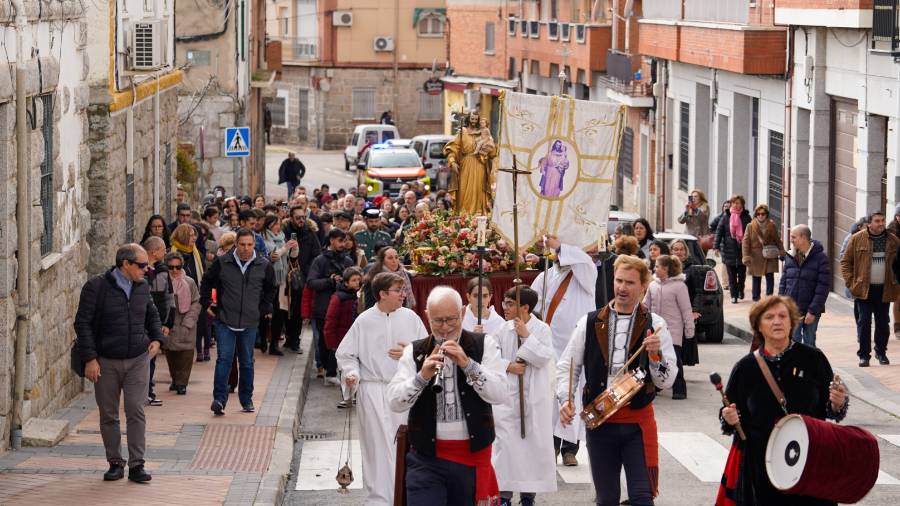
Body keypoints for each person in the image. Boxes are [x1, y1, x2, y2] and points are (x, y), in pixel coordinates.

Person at [557, 255, 678, 506]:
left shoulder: (655, 324)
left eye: (630, 283)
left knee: (642, 498)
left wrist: (654, 355)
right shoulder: (589, 322)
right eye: (619, 280)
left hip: (638, 424)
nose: (622, 287)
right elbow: (569, 366)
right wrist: (566, 400)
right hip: (600, 423)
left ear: (644, 286)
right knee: (607, 499)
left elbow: (666, 381)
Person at [719, 296, 848, 505]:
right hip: (762, 466)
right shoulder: (745, 368)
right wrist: (730, 416)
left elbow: (832, 410)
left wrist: (837, 402)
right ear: (758, 326)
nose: (777, 321)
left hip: (809, 459)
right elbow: (729, 413)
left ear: (791, 322)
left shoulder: (813, 358)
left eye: (782, 316)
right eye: (769, 317)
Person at [387, 286, 506, 505]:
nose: (444, 328)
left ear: (462, 313)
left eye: (451, 320)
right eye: (437, 321)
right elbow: (394, 402)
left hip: (471, 459)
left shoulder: (483, 345)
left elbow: (499, 394)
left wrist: (468, 365)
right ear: (427, 316)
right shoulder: (414, 352)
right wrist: (422, 376)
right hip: (425, 459)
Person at [74, 244, 165, 483]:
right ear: (125, 264)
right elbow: (82, 324)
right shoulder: (96, 287)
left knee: (136, 408)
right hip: (105, 361)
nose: (147, 269)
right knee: (109, 414)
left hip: (138, 358)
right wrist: (90, 358)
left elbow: (152, 314)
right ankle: (115, 462)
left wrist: (157, 338)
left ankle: (137, 465)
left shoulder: (142, 287)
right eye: (142, 265)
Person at [336, 272, 429, 505]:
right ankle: (379, 499)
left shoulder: (411, 318)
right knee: (376, 447)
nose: (403, 294)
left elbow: (428, 351)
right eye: (398, 291)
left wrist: (411, 351)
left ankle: (405, 495)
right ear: (382, 294)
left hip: (406, 390)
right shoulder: (365, 320)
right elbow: (346, 354)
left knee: (407, 445)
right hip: (373, 390)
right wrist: (352, 374)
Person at [530, 236, 597, 466]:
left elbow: (585, 261)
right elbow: (534, 307)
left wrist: (558, 243)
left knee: (574, 394)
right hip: (551, 345)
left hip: (577, 344)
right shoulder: (545, 276)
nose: (560, 255)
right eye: (557, 252)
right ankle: (551, 447)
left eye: (563, 251)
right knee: (551, 395)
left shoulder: (586, 274)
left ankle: (570, 449)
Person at [492, 286, 557, 506]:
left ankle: (528, 496)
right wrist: (508, 365)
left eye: (510, 304)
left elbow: (544, 358)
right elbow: (490, 359)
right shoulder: (502, 329)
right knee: (506, 449)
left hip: (534, 399)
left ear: (525, 307)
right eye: (504, 303)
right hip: (508, 399)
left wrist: (526, 337)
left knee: (532, 448)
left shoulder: (541, 329)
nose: (505, 308)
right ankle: (504, 495)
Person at [201, 228, 276, 415]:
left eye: (249, 245)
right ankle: (219, 399)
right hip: (225, 320)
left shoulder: (263, 265)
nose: (245, 248)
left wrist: (263, 308)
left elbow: (270, 289)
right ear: (235, 244)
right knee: (224, 360)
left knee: (247, 362)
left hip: (250, 322)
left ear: (254, 245)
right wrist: (207, 303)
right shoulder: (222, 262)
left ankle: (246, 400)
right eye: (242, 244)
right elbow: (206, 281)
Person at [840, 211, 900, 367]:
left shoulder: (893, 240)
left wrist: (896, 282)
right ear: (869, 224)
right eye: (877, 221)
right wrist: (850, 283)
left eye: (883, 220)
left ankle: (881, 353)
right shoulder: (857, 239)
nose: (881, 223)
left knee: (882, 322)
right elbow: (845, 262)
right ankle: (864, 355)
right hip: (863, 289)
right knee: (864, 321)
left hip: (885, 289)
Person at [643, 255, 694, 400]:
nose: (654, 268)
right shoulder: (653, 285)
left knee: (675, 360)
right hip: (655, 330)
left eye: (657, 266)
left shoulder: (679, 286)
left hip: (673, 331)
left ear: (665, 269)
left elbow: (686, 309)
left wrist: (689, 329)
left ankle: (679, 389)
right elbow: (645, 305)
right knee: (657, 357)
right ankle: (658, 385)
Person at [308, 228, 355, 384]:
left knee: (342, 340)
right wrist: (330, 281)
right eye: (340, 241)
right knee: (324, 341)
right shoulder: (319, 260)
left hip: (344, 307)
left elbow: (355, 279)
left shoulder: (347, 261)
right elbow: (311, 282)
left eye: (345, 241)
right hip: (323, 308)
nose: (343, 244)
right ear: (331, 241)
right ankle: (326, 369)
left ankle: (334, 371)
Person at [779, 225, 830, 347]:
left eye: (793, 237)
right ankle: (794, 366)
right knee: (793, 343)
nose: (791, 239)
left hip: (811, 309)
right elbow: (783, 282)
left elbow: (823, 287)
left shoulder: (821, 258)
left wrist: (812, 311)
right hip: (792, 309)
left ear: (803, 238)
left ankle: (809, 366)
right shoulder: (790, 256)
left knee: (809, 343)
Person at [281, 205, 322, 352]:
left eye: (303, 217)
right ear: (291, 218)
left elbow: (316, 254)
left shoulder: (310, 233)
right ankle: (287, 337)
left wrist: (305, 272)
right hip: (285, 276)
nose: (301, 220)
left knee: (297, 310)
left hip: (302, 277)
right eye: (298, 218)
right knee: (285, 309)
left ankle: (295, 340)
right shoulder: (284, 232)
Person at [162, 252, 201, 395]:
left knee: (186, 354)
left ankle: (182, 383)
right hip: (169, 323)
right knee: (171, 354)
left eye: (177, 267)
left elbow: (196, 302)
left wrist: (189, 321)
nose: (174, 270)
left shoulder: (190, 282)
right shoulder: (162, 281)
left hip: (186, 323)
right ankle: (175, 379)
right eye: (171, 267)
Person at [444, 110, 497, 215]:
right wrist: (452, 162)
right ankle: (464, 216)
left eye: (476, 119)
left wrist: (489, 149)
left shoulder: (482, 131)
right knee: (464, 192)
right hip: (465, 166)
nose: (474, 121)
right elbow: (453, 148)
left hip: (480, 165)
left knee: (478, 191)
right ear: (468, 119)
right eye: (472, 119)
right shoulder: (462, 132)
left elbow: (492, 152)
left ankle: (479, 215)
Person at [261, 213, 299, 356]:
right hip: (268, 281)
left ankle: (274, 344)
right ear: (269, 225)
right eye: (276, 224)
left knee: (279, 313)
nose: (278, 227)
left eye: (279, 224)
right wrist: (285, 247)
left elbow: (292, 258)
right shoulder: (264, 238)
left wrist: (294, 248)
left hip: (282, 281)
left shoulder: (282, 237)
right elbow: (274, 256)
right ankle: (263, 339)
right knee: (265, 313)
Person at [142, 237, 174, 407]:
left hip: (154, 322)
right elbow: (161, 299)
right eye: (163, 249)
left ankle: (147, 392)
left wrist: (168, 323)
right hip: (146, 323)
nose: (165, 252)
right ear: (154, 251)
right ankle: (145, 393)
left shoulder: (159, 270)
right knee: (146, 358)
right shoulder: (150, 272)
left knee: (151, 359)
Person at [324, 267, 364, 389]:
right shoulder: (338, 297)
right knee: (335, 355)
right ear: (346, 283)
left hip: (351, 333)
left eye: (358, 280)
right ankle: (330, 375)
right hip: (340, 334)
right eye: (353, 280)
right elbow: (331, 319)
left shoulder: (357, 295)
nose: (357, 282)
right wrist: (331, 340)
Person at [742, 204, 785, 301]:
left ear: (767, 214)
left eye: (763, 214)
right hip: (755, 255)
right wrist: (746, 256)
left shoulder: (772, 225)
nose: (760, 216)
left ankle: (769, 297)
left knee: (770, 276)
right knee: (756, 277)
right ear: (755, 215)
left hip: (769, 254)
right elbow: (745, 242)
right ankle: (756, 297)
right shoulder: (750, 226)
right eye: (758, 214)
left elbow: (777, 240)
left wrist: (782, 251)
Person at [715, 194, 752, 304]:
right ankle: (733, 296)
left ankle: (741, 289)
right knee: (731, 276)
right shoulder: (726, 216)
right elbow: (719, 231)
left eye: (738, 203)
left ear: (742, 204)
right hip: (728, 249)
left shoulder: (746, 217)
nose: (736, 205)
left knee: (741, 275)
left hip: (742, 250)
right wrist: (716, 246)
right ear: (731, 204)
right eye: (734, 203)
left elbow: (751, 233)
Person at [361, 246, 416, 310]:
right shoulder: (374, 278)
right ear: (382, 261)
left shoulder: (406, 275)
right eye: (390, 258)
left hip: (402, 314)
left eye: (396, 257)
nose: (394, 261)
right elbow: (369, 306)